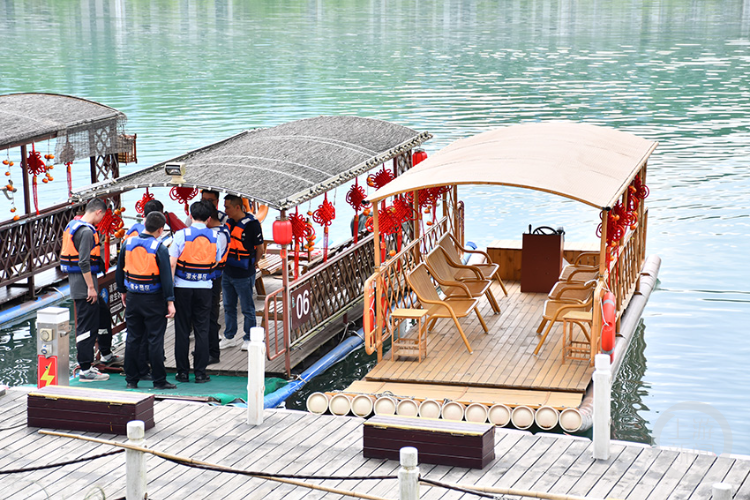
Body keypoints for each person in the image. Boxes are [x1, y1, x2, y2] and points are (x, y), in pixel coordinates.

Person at [116, 211, 176, 390]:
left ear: (144, 224)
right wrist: (170, 301)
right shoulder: (159, 248)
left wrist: (122, 291)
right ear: (160, 230)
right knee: (155, 340)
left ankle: (131, 380)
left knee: (132, 338)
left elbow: (119, 270)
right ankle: (159, 380)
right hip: (153, 299)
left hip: (133, 296)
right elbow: (166, 278)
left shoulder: (127, 243)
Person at [60, 198, 118, 382]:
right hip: (84, 287)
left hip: (84, 284)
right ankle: (85, 369)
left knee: (103, 315)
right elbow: (83, 262)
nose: (101, 221)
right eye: (103, 216)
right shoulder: (85, 232)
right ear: (99, 212)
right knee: (86, 328)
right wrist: (91, 288)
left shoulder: (74, 225)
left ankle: (106, 353)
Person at [170, 201, 226, 383]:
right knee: (202, 329)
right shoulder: (215, 236)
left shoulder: (181, 235)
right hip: (204, 287)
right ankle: (200, 373)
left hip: (182, 287)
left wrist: (169, 288)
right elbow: (216, 260)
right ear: (209, 218)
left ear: (190, 215)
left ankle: (182, 372)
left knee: (182, 330)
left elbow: (172, 263)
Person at [220, 195, 264, 351]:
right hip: (227, 272)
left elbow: (260, 249)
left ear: (237, 207)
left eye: (227, 207)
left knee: (247, 308)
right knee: (228, 306)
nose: (225, 210)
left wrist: (253, 263)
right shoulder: (228, 222)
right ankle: (229, 336)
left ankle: (249, 337)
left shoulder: (252, 225)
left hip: (244, 273)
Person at [193, 190, 229, 364]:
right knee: (203, 316)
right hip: (205, 278)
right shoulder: (215, 232)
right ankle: (204, 348)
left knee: (210, 316)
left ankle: (213, 352)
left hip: (212, 279)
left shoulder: (219, 235)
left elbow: (211, 259)